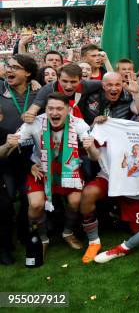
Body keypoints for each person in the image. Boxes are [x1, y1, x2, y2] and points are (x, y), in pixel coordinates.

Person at [0, 93, 100, 257]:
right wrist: (7, 145)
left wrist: (90, 148)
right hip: (41, 168)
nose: (54, 113)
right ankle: (43, 238)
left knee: (75, 201)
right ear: (45, 110)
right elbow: (5, 153)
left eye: (59, 108)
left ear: (68, 110)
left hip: (69, 167)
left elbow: (95, 157)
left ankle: (67, 233)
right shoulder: (35, 123)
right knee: (35, 205)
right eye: (50, 108)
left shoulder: (78, 123)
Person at [79, 112, 139, 264]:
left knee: (138, 232)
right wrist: (96, 125)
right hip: (109, 177)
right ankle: (94, 241)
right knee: (88, 193)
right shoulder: (114, 131)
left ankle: (117, 215)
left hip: (133, 188)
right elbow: (94, 151)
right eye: (138, 121)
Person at [0, 54, 39, 264]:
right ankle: (5, 245)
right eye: (8, 66)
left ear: (28, 73)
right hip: (6, 157)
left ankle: (24, 236)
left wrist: (39, 82)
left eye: (15, 67)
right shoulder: (1, 91)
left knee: (27, 198)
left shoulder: (38, 93)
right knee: (5, 203)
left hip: (30, 157)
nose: (9, 70)